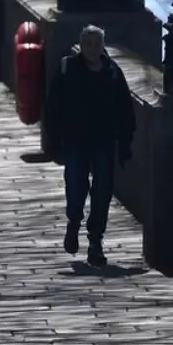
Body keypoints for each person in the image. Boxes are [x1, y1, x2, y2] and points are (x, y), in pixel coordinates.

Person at [42, 25, 136, 267]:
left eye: (97, 44)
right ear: (81, 45)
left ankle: (96, 241)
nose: (93, 49)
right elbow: (52, 106)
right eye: (88, 44)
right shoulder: (67, 68)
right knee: (76, 185)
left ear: (103, 45)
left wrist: (125, 143)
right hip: (75, 139)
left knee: (102, 192)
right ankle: (73, 222)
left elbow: (126, 109)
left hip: (104, 141)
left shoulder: (113, 72)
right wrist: (53, 140)